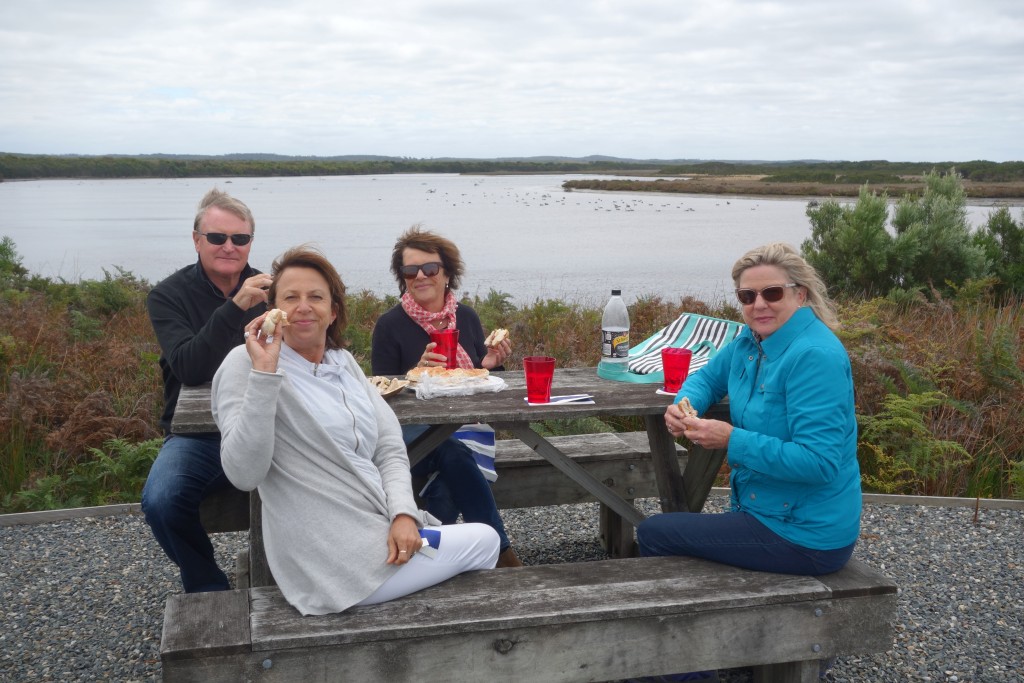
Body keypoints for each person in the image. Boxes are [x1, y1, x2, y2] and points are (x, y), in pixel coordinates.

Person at [211, 246, 499, 615]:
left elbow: (390, 447)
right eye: (291, 297)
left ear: (332, 312)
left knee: (470, 546)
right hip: (328, 560)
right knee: (485, 542)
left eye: (316, 297)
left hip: (378, 528)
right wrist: (265, 374)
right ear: (273, 310)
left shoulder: (342, 364)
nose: (303, 306)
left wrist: (404, 514)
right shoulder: (244, 364)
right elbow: (243, 474)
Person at [639, 242, 860, 576]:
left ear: (800, 295)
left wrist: (732, 439)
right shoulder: (750, 339)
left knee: (654, 533)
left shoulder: (814, 357)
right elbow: (707, 379)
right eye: (747, 296)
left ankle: (676, 619)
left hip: (806, 535)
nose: (759, 305)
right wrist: (683, 406)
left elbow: (820, 462)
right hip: (765, 514)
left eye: (772, 293)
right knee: (673, 533)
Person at [142, 188, 271, 593]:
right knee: (161, 500)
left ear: (251, 242)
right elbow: (189, 367)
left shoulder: (273, 287)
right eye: (217, 237)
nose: (229, 247)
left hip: (268, 426)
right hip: (200, 436)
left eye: (241, 239)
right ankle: (210, 589)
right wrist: (235, 307)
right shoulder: (168, 296)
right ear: (197, 239)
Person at [370, 226, 522, 568]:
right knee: (455, 452)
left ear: (447, 273)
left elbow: (476, 384)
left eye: (430, 268)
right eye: (410, 270)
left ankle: (422, 560)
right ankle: (502, 554)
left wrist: (489, 366)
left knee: (451, 472)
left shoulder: (466, 317)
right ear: (402, 278)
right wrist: (414, 374)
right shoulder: (389, 325)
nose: (420, 276)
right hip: (408, 440)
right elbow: (383, 397)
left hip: (468, 428)